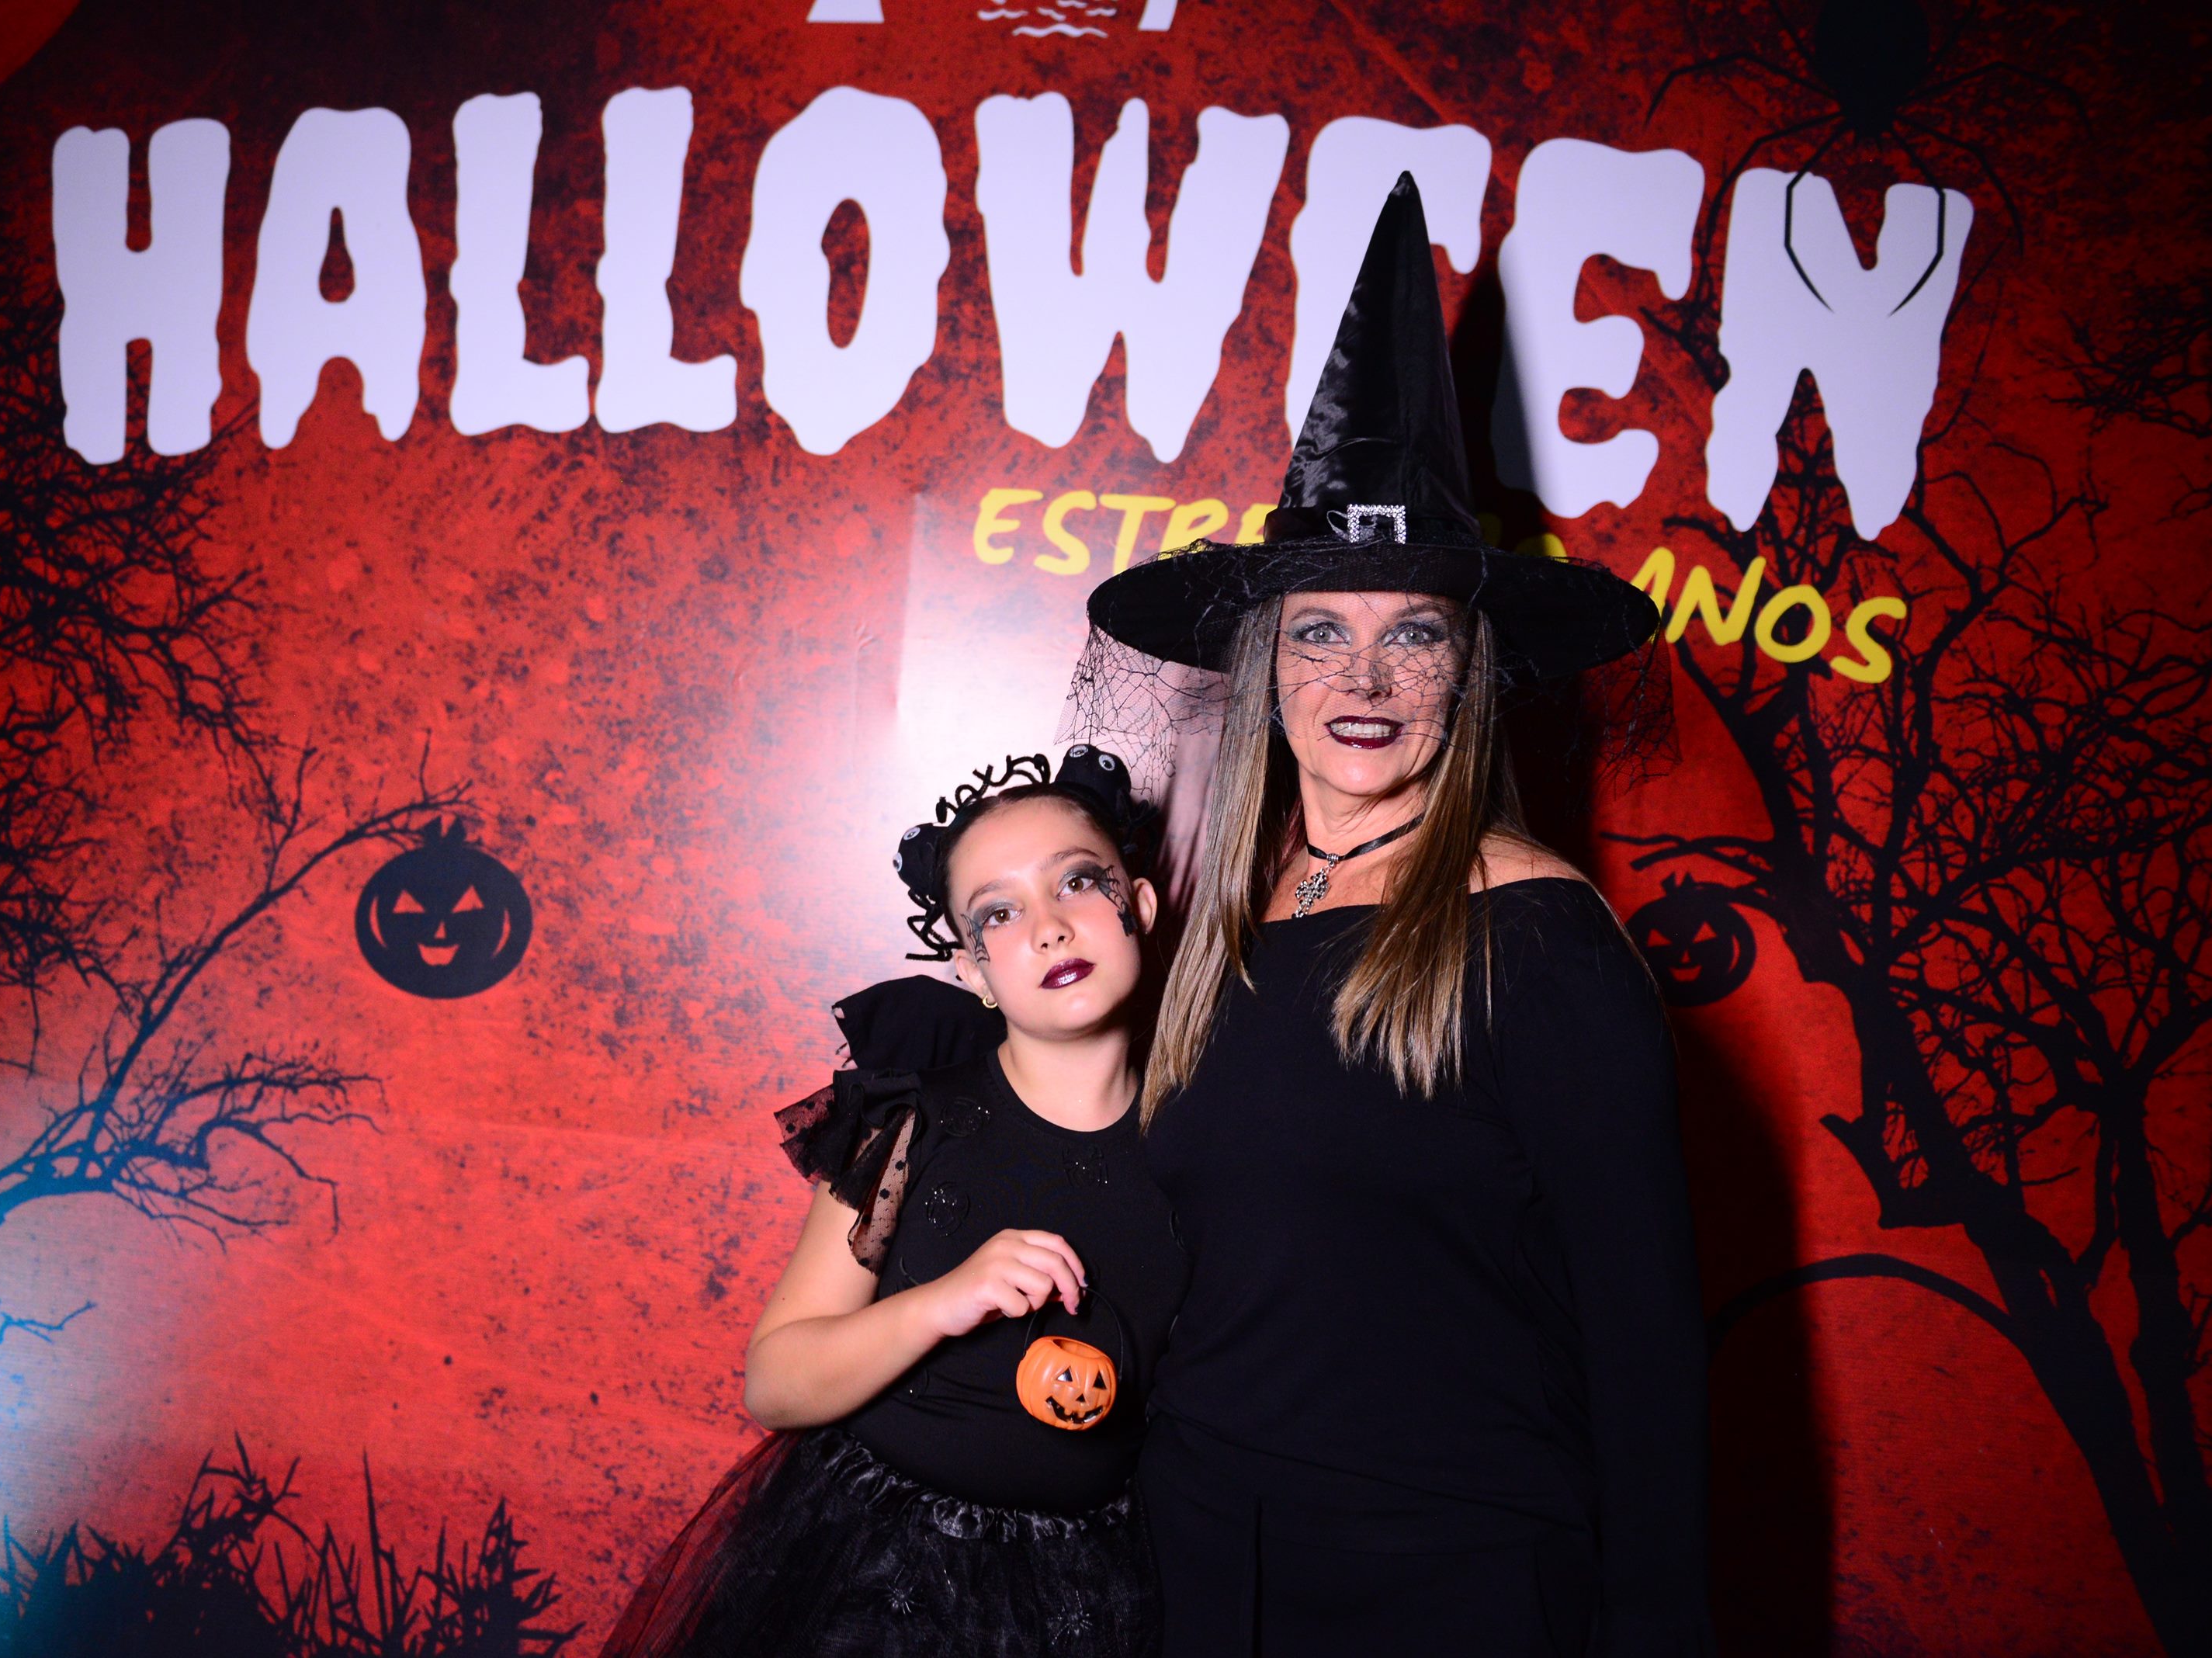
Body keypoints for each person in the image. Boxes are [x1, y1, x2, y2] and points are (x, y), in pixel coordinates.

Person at [1073, 174, 1713, 1654]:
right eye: (1319, 630)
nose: (1361, 679)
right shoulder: (1216, 925)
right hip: (1200, 1562)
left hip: (1445, 1584)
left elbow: (1646, 1357)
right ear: (1264, 666)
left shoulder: (1539, 943)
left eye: (1412, 632)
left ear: (1469, 670)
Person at [599, 748, 1186, 1658]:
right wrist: (940, 1304)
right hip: (877, 1577)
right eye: (999, 912)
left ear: (1139, 906)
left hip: (1085, 1596)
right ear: (971, 970)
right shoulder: (913, 1120)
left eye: (1077, 882)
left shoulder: (1204, 1145)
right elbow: (774, 1384)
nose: (1048, 928)